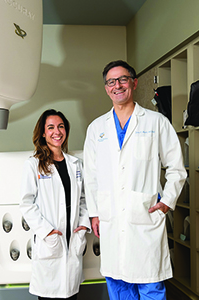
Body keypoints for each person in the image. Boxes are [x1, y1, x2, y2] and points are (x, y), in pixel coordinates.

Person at [83, 60, 187, 300]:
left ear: (134, 82)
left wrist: (167, 201)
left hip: (145, 216)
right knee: (119, 285)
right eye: (111, 81)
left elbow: (176, 168)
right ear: (106, 87)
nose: (117, 85)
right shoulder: (97, 128)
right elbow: (91, 175)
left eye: (122, 79)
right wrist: (95, 213)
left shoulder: (156, 122)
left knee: (150, 283)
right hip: (111, 219)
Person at [20, 109, 91, 300]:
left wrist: (83, 224)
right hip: (50, 238)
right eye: (50, 127)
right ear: (43, 133)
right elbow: (26, 204)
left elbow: (84, 199)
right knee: (49, 294)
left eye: (60, 126)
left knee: (71, 294)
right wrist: (47, 232)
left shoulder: (75, 164)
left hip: (72, 236)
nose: (56, 131)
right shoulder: (33, 165)